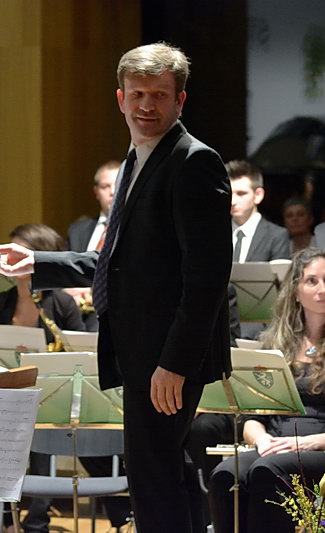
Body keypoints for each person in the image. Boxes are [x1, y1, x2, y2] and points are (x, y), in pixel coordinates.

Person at [0, 43, 232, 533]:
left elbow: (207, 277)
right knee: (162, 474)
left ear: (180, 100)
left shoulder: (194, 161)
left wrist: (175, 363)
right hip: (142, 351)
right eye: (138, 94)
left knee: (153, 478)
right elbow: (124, 263)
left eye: (160, 95)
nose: (147, 105)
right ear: (121, 98)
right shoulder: (138, 158)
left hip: (166, 358)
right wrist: (38, 262)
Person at [208, 248, 325, 533]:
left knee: (267, 470)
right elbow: (251, 418)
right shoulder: (274, 344)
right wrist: (262, 440)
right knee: (225, 474)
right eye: (312, 281)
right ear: (296, 291)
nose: (323, 289)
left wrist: (308, 442)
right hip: (275, 445)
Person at [1, 224, 84, 533]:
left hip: (52, 394)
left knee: (39, 427)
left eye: (17, 254)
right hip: (9, 392)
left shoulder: (60, 302)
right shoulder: (3, 301)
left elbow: (80, 352)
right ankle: (7, 519)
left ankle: (36, 521)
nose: (8, 262)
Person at [64, 160, 121, 331]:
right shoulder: (77, 230)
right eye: (105, 186)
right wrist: (68, 290)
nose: (112, 192)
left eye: (117, 184)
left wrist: (92, 290)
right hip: (74, 315)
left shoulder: (136, 229)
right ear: (96, 192)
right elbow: (65, 270)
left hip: (116, 316)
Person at [228, 159, 291, 262]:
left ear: (258, 195)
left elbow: (279, 272)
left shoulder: (276, 235)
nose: (233, 201)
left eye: (241, 194)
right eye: (229, 194)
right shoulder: (215, 234)